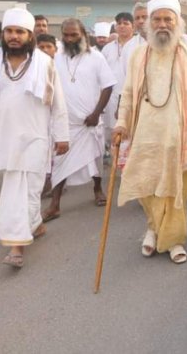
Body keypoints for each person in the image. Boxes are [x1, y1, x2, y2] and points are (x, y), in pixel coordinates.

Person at [0, 8, 69, 266]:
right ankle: (17, 245)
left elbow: (58, 103)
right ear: (3, 34)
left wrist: (61, 136)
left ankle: (31, 227)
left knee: (30, 191)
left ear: (30, 35)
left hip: (36, 138)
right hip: (7, 139)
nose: (14, 37)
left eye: (20, 32)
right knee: (14, 193)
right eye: (9, 31)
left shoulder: (45, 63)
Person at [114, 0, 187, 264]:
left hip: (179, 136)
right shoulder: (138, 55)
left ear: (177, 22)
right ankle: (154, 227)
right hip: (145, 134)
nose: (162, 25)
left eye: (167, 19)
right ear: (148, 23)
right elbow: (127, 92)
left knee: (175, 191)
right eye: (156, 19)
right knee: (147, 186)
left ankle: (172, 240)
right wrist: (121, 122)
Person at [42, 18, 115, 221]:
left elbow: (108, 85)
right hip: (64, 123)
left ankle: (97, 190)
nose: (70, 38)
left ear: (83, 34)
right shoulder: (55, 58)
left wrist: (96, 113)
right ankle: (55, 204)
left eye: (74, 35)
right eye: (66, 35)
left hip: (89, 121)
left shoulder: (96, 57)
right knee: (59, 162)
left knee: (95, 157)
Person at [101, 13, 134, 145]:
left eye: (126, 23)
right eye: (119, 23)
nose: (122, 26)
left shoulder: (139, 46)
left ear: (133, 27)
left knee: (129, 135)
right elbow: (101, 74)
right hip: (110, 98)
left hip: (130, 97)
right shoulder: (107, 48)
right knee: (111, 134)